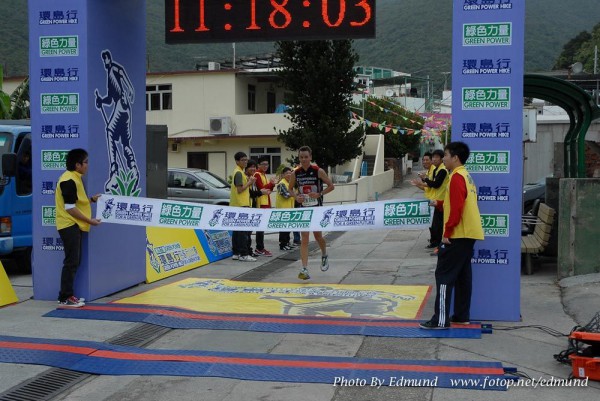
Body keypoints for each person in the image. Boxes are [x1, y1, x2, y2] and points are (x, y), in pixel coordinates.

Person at [420, 142, 484, 329]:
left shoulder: (456, 177)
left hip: (457, 234)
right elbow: (456, 202)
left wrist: (447, 233)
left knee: (444, 276)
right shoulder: (465, 176)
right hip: (468, 233)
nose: (443, 159)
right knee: (463, 277)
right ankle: (461, 316)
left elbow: (457, 208)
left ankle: (440, 320)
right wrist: (439, 204)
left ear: (455, 157)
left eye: (446, 155)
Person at [55, 149, 101, 307]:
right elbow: (70, 208)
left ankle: (67, 295)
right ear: (77, 165)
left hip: (73, 225)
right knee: (71, 262)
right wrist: (90, 221)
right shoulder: (69, 180)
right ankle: (65, 297)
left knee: (74, 261)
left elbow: (77, 202)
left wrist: (92, 200)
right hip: (68, 225)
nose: (87, 165)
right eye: (86, 162)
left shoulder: (74, 178)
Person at [288, 146, 335, 280]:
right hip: (303, 209)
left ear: (310, 157)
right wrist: (296, 197)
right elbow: (290, 189)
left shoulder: (318, 171)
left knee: (318, 236)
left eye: (306, 157)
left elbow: (331, 186)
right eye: (301, 157)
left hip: (316, 209)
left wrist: (319, 194)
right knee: (304, 238)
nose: (303, 160)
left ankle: (324, 254)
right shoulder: (295, 173)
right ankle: (304, 268)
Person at [229, 152, 257, 262]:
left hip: (238, 204)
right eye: (242, 160)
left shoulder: (239, 172)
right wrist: (249, 182)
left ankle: (236, 253)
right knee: (243, 232)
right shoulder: (239, 173)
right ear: (237, 161)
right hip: (241, 205)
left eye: (246, 160)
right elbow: (240, 189)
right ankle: (244, 254)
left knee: (237, 231)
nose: (245, 162)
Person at [421, 149, 449, 256]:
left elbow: (436, 184)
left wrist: (425, 179)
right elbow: (431, 184)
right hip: (436, 201)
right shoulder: (437, 169)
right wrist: (424, 180)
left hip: (442, 202)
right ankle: (436, 244)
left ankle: (438, 245)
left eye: (436, 157)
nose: (434, 159)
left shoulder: (443, 170)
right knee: (435, 224)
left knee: (438, 225)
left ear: (442, 159)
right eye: (433, 157)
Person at [253, 156, 276, 257]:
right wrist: (271, 184)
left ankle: (260, 247)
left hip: (266, 202)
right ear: (258, 165)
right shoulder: (257, 174)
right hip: (260, 203)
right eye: (263, 164)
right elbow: (262, 189)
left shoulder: (263, 174)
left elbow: (268, 190)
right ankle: (259, 248)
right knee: (260, 226)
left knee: (262, 226)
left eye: (267, 164)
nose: (266, 166)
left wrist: (272, 185)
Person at [410, 152, 435, 246]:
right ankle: (433, 240)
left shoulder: (434, 171)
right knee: (431, 224)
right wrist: (417, 184)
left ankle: (435, 242)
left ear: (432, 161)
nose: (424, 162)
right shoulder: (429, 171)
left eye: (427, 160)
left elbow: (432, 185)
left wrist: (421, 182)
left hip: (435, 201)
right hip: (430, 200)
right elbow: (426, 188)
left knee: (435, 225)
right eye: (423, 160)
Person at [276, 166, 295, 250]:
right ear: (283, 175)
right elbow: (286, 195)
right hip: (282, 209)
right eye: (287, 173)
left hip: (289, 209)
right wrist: (294, 194)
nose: (289, 175)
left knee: (288, 227)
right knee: (283, 228)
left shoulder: (289, 183)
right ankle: (282, 244)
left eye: (290, 173)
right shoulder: (281, 183)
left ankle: (287, 242)